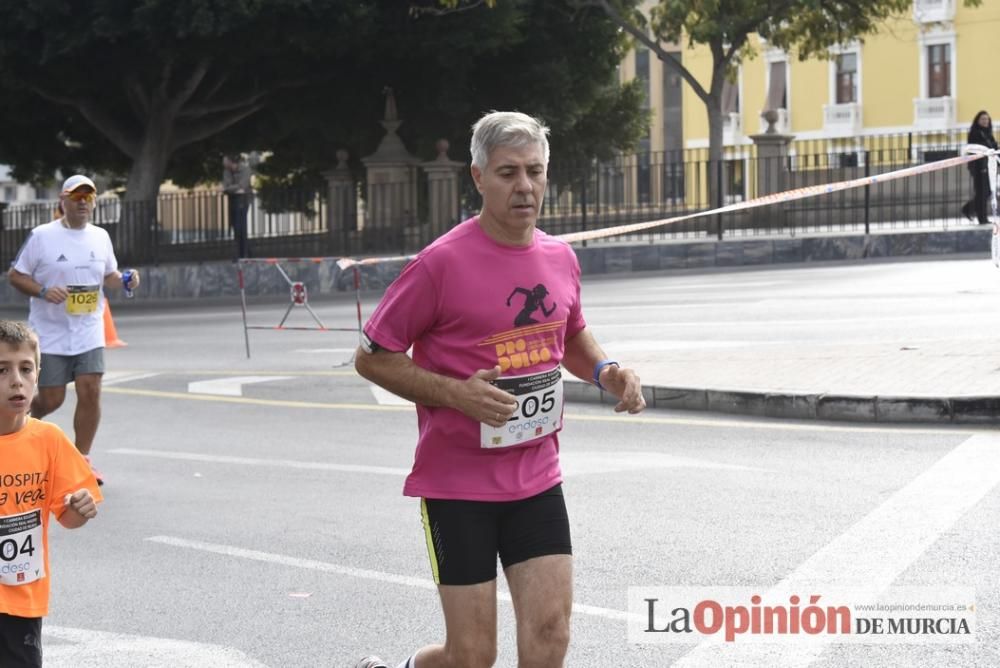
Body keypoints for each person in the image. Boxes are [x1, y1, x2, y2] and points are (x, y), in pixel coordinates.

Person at [353, 111, 646, 668]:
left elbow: (571, 329)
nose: (525, 186)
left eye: (535, 171)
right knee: (471, 657)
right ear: (478, 177)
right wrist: (454, 393)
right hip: (458, 485)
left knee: (551, 632)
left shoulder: (560, 257)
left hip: (536, 476)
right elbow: (372, 357)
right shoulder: (440, 264)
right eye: (508, 172)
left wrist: (607, 370)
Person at [7, 174, 140, 485]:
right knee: (51, 399)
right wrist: (42, 291)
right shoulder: (42, 236)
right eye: (76, 196)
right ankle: (11, 436)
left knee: (91, 389)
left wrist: (124, 280)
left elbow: (108, 275)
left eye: (88, 197)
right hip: (50, 332)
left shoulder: (100, 237)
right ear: (62, 202)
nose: (83, 202)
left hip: (89, 329)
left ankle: (81, 461)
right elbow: (15, 275)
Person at [0, 320, 101, 668]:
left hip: (21, 597)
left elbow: (68, 517)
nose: (16, 380)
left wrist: (79, 508)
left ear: (38, 375)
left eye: (26, 369)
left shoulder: (50, 440)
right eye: (2, 370)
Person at [961, 110, 998, 225]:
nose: (985, 121)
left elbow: (993, 147)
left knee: (986, 193)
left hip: (988, 166)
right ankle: (982, 218)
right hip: (979, 167)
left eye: (987, 119)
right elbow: (977, 150)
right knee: (982, 193)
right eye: (983, 119)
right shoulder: (975, 133)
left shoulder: (988, 133)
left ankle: (968, 209)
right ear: (978, 121)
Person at [222, 154, 253, 258]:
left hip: (244, 200)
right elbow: (226, 187)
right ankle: (241, 252)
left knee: (241, 227)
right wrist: (235, 189)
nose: (224, 163)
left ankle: (244, 253)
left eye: (225, 161)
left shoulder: (245, 170)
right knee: (236, 227)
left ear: (232, 162)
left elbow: (243, 185)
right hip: (233, 200)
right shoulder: (227, 171)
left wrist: (231, 188)